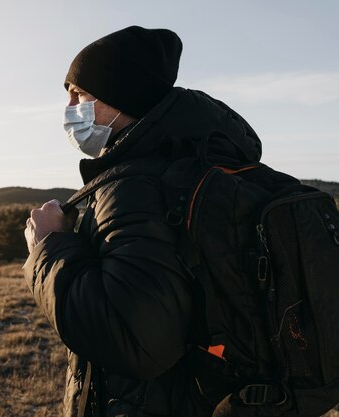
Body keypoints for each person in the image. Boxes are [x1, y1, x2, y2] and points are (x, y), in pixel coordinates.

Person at [23, 25, 265, 417]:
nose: (70, 108)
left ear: (121, 96)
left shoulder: (137, 186)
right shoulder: (203, 166)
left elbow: (134, 340)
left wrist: (49, 247)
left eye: (80, 94)